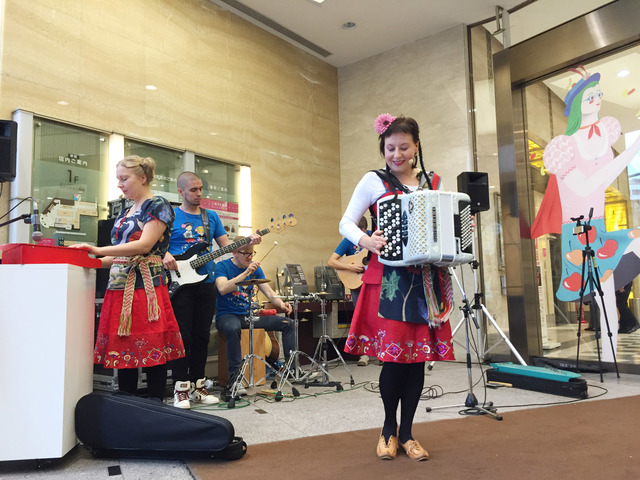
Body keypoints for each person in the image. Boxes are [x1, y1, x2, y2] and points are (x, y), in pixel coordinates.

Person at [340, 114, 456, 462]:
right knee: (393, 359)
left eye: (404, 147)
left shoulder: (433, 182)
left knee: (416, 359)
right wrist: (367, 239)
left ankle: (408, 434)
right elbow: (346, 221)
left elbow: (443, 224)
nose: (397, 154)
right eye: (390, 148)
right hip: (389, 280)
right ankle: (388, 430)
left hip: (426, 282)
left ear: (417, 146)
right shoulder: (373, 181)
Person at [535, 66, 640, 361]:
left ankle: (611, 358)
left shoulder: (602, 141)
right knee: (604, 296)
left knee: (609, 290)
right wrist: (632, 152)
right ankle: (609, 359)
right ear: (577, 105)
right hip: (578, 231)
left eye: (598, 94)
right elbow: (588, 186)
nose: (596, 99)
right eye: (589, 95)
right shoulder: (563, 147)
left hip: (600, 225)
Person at [70, 155, 184, 401]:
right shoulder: (125, 210)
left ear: (143, 178)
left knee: (152, 349)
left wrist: (99, 250)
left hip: (146, 287)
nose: (120, 185)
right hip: (119, 286)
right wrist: (91, 261)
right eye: (118, 179)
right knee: (124, 350)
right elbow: (121, 253)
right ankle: (126, 407)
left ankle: (154, 404)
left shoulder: (158, 205)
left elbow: (144, 246)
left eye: (124, 179)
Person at [163, 171, 261, 409]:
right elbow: (157, 245)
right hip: (180, 285)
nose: (199, 194)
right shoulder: (171, 216)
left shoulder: (211, 217)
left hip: (206, 282)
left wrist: (245, 243)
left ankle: (199, 386)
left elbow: (226, 246)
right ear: (181, 192)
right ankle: (180, 389)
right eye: (193, 190)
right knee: (183, 337)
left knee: (202, 337)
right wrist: (164, 254)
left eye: (200, 189)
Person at [214, 240, 295, 399]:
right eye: (246, 253)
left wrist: (281, 304)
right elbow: (222, 288)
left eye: (252, 253)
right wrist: (245, 273)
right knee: (233, 327)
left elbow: (269, 291)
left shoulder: (256, 269)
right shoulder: (222, 267)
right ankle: (235, 379)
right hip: (227, 316)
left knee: (288, 324)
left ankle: (292, 370)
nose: (250, 257)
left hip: (248, 316)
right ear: (235, 253)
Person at [327, 216, 371, 366]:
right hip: (357, 283)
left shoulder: (373, 237)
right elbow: (331, 261)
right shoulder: (348, 240)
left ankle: (380, 352)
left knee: (377, 316)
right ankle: (364, 353)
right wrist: (351, 267)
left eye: (362, 233)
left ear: (365, 230)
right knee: (360, 317)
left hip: (374, 283)